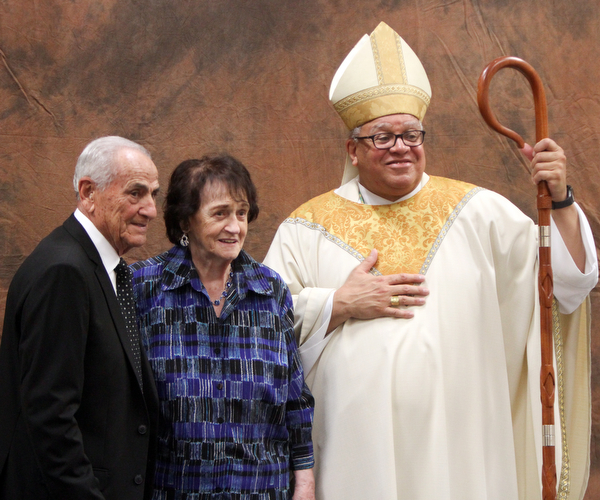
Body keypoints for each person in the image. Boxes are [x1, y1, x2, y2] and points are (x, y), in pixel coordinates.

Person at [263, 22, 598, 500]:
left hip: (463, 446)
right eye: (382, 137)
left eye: (411, 133)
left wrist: (560, 197)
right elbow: (260, 326)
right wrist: (337, 304)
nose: (400, 146)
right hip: (355, 453)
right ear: (352, 150)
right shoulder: (305, 227)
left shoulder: (481, 212)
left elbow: (566, 284)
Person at [131, 154, 315, 500]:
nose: (235, 227)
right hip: (174, 488)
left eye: (242, 213)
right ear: (186, 220)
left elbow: (295, 396)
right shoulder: (144, 288)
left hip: (261, 488)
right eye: (220, 213)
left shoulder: (269, 289)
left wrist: (304, 482)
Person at [0, 136, 161, 500]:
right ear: (89, 192)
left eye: (154, 194)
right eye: (135, 193)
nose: (150, 209)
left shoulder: (105, 269)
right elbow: (50, 416)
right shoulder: (64, 271)